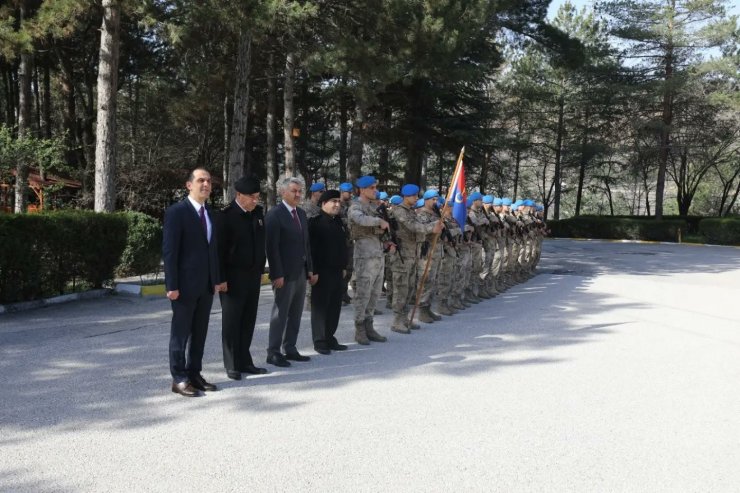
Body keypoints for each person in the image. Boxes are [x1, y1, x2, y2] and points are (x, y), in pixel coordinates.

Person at [163, 168, 221, 397]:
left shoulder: (210, 213)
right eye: (200, 181)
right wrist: (172, 285)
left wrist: (215, 279)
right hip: (184, 287)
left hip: (205, 286)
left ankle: (194, 374)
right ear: (189, 185)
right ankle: (178, 378)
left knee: (200, 333)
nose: (206, 184)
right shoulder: (177, 212)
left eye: (208, 181)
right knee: (180, 334)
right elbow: (170, 251)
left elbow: (212, 250)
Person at [216, 175, 267, 381]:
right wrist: (220, 278)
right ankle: (231, 364)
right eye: (251, 197)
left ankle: (245, 360)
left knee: (248, 320)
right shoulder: (226, 216)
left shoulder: (258, 214)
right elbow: (218, 250)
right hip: (232, 277)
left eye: (257, 197)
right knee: (231, 322)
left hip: (253, 275)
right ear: (238, 195)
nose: (255, 201)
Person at [264, 177, 318, 367]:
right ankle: (273, 352)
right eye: (294, 191)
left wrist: (310, 268)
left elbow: (306, 245)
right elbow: (272, 248)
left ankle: (290, 348)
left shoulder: (301, 214)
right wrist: (277, 274)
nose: (298, 194)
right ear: (282, 192)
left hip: (301, 272)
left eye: (299, 191)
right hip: (284, 275)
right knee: (280, 313)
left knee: (295, 313)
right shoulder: (274, 215)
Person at [389, 184, 444, 334]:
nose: (416, 198)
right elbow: (413, 226)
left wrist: (433, 226)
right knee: (401, 288)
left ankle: (405, 318)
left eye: (416, 196)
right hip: (402, 256)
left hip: (413, 254)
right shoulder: (399, 211)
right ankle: (397, 321)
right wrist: (432, 227)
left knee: (410, 287)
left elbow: (418, 227)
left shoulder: (411, 211)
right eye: (414, 196)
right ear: (406, 196)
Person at [347, 175, 393, 344]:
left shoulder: (375, 207)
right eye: (372, 188)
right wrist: (378, 221)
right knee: (363, 294)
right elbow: (358, 219)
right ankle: (359, 328)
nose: (376, 190)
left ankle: (369, 326)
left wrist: (388, 241)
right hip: (364, 257)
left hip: (378, 255)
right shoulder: (356, 206)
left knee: (374, 295)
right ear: (363, 189)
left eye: (376, 187)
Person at [309, 189, 350, 354]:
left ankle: (329, 337)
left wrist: (344, 267)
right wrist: (314, 271)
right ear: (323, 203)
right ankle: (319, 341)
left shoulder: (338, 221)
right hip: (322, 271)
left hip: (337, 271)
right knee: (320, 307)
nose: (337, 204)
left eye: (338, 201)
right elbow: (311, 249)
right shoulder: (315, 222)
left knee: (334, 306)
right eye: (333, 201)